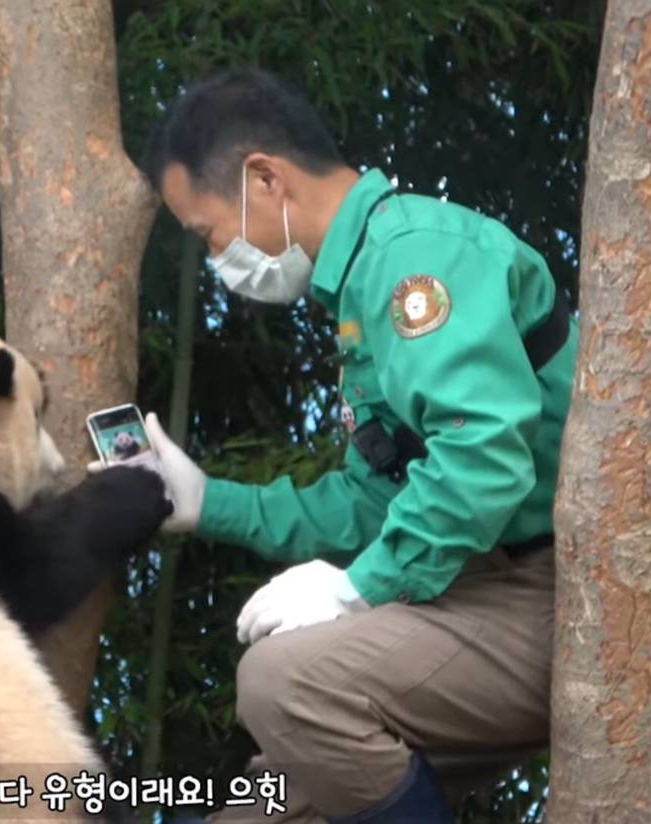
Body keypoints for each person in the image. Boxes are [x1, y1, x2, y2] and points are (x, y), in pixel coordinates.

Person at [136, 68, 577, 823]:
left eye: (209, 235)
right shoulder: (363, 284)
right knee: (265, 804)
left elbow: (482, 464)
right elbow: (373, 500)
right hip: (490, 587)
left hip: (572, 592)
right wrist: (209, 502)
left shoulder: (416, 262)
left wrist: (354, 589)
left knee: (286, 685)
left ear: (265, 180)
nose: (218, 265)